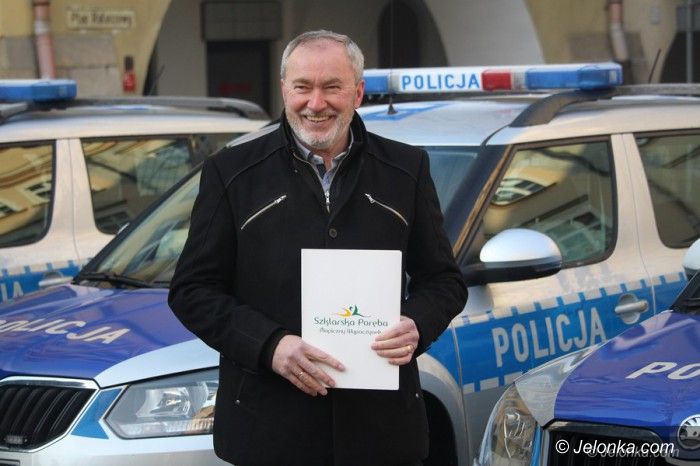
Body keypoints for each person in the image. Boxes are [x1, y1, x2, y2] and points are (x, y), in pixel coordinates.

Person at [168, 30, 467, 466]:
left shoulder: (406, 169)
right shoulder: (231, 173)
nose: (316, 103)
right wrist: (270, 346)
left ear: (357, 93)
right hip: (269, 433)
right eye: (302, 87)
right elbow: (192, 291)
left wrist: (418, 324)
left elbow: (444, 281)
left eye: (332, 87)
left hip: (381, 434)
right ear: (284, 90)